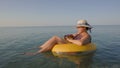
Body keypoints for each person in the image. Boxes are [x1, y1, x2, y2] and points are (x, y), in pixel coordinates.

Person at [25, 19, 92, 55]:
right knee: (55, 38)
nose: (77, 28)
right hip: (70, 45)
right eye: (77, 27)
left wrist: (70, 40)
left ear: (85, 28)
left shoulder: (87, 36)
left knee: (55, 38)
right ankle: (40, 47)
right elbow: (68, 36)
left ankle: (37, 53)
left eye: (79, 27)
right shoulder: (78, 33)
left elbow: (81, 43)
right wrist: (68, 37)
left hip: (75, 50)